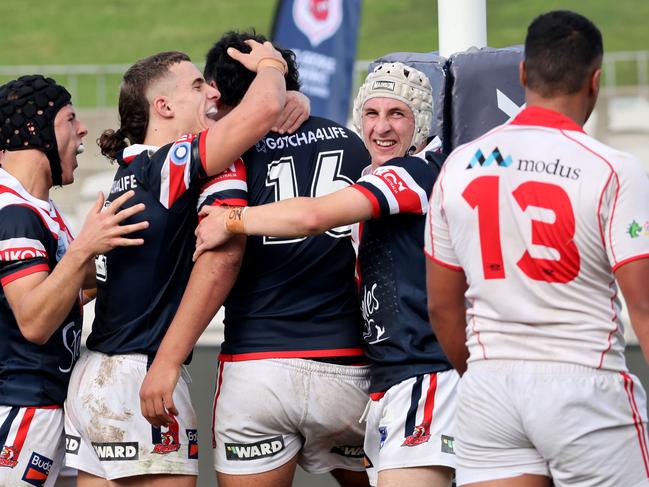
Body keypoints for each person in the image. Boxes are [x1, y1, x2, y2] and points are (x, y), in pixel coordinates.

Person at [192, 61, 459, 487]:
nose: (381, 128)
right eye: (371, 114)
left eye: (398, 115)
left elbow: (313, 215)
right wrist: (289, 101)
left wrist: (230, 219)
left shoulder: (413, 174)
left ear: (422, 123)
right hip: (380, 377)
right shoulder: (374, 175)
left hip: (422, 374)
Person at [425, 10, 649, 487]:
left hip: (489, 388)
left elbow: (442, 307)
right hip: (584, 386)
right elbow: (644, 305)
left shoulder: (460, 166)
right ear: (595, 81)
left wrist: (485, 373)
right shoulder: (612, 168)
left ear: (523, 73)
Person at [139, 31, 372, 487]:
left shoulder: (225, 154)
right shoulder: (354, 143)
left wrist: (167, 359)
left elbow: (219, 260)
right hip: (348, 366)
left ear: (219, 93)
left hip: (258, 367)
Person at [63, 42, 288, 487]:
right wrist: (272, 66)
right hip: (140, 372)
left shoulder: (129, 171)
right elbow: (263, 109)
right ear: (162, 106)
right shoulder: (169, 164)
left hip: (96, 375)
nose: (213, 95)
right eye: (198, 86)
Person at [0, 75, 146, 487]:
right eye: (70, 118)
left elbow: (74, 288)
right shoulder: (13, 213)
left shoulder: (38, 209)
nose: (82, 129)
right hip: (20, 406)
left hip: (49, 404)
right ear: (35, 130)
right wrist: (86, 247)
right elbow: (34, 320)